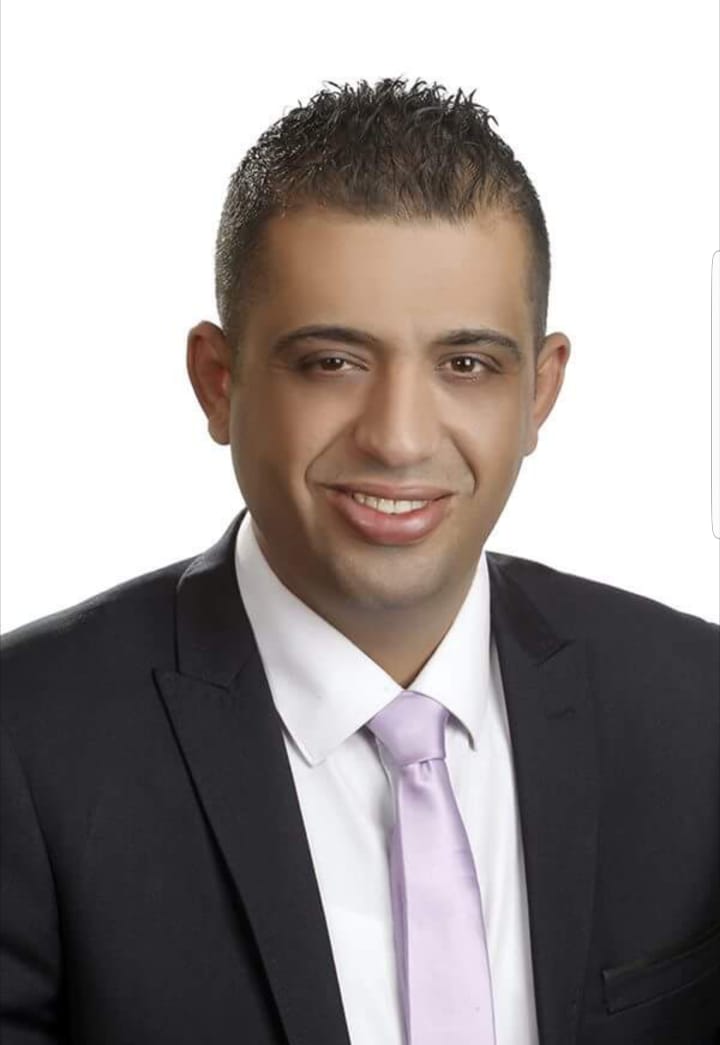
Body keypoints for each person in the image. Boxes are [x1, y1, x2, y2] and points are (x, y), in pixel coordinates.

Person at [1, 75, 718, 1045]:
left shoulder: (699, 711)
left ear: (539, 394)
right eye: (332, 362)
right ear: (218, 382)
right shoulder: (27, 745)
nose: (398, 437)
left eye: (467, 364)